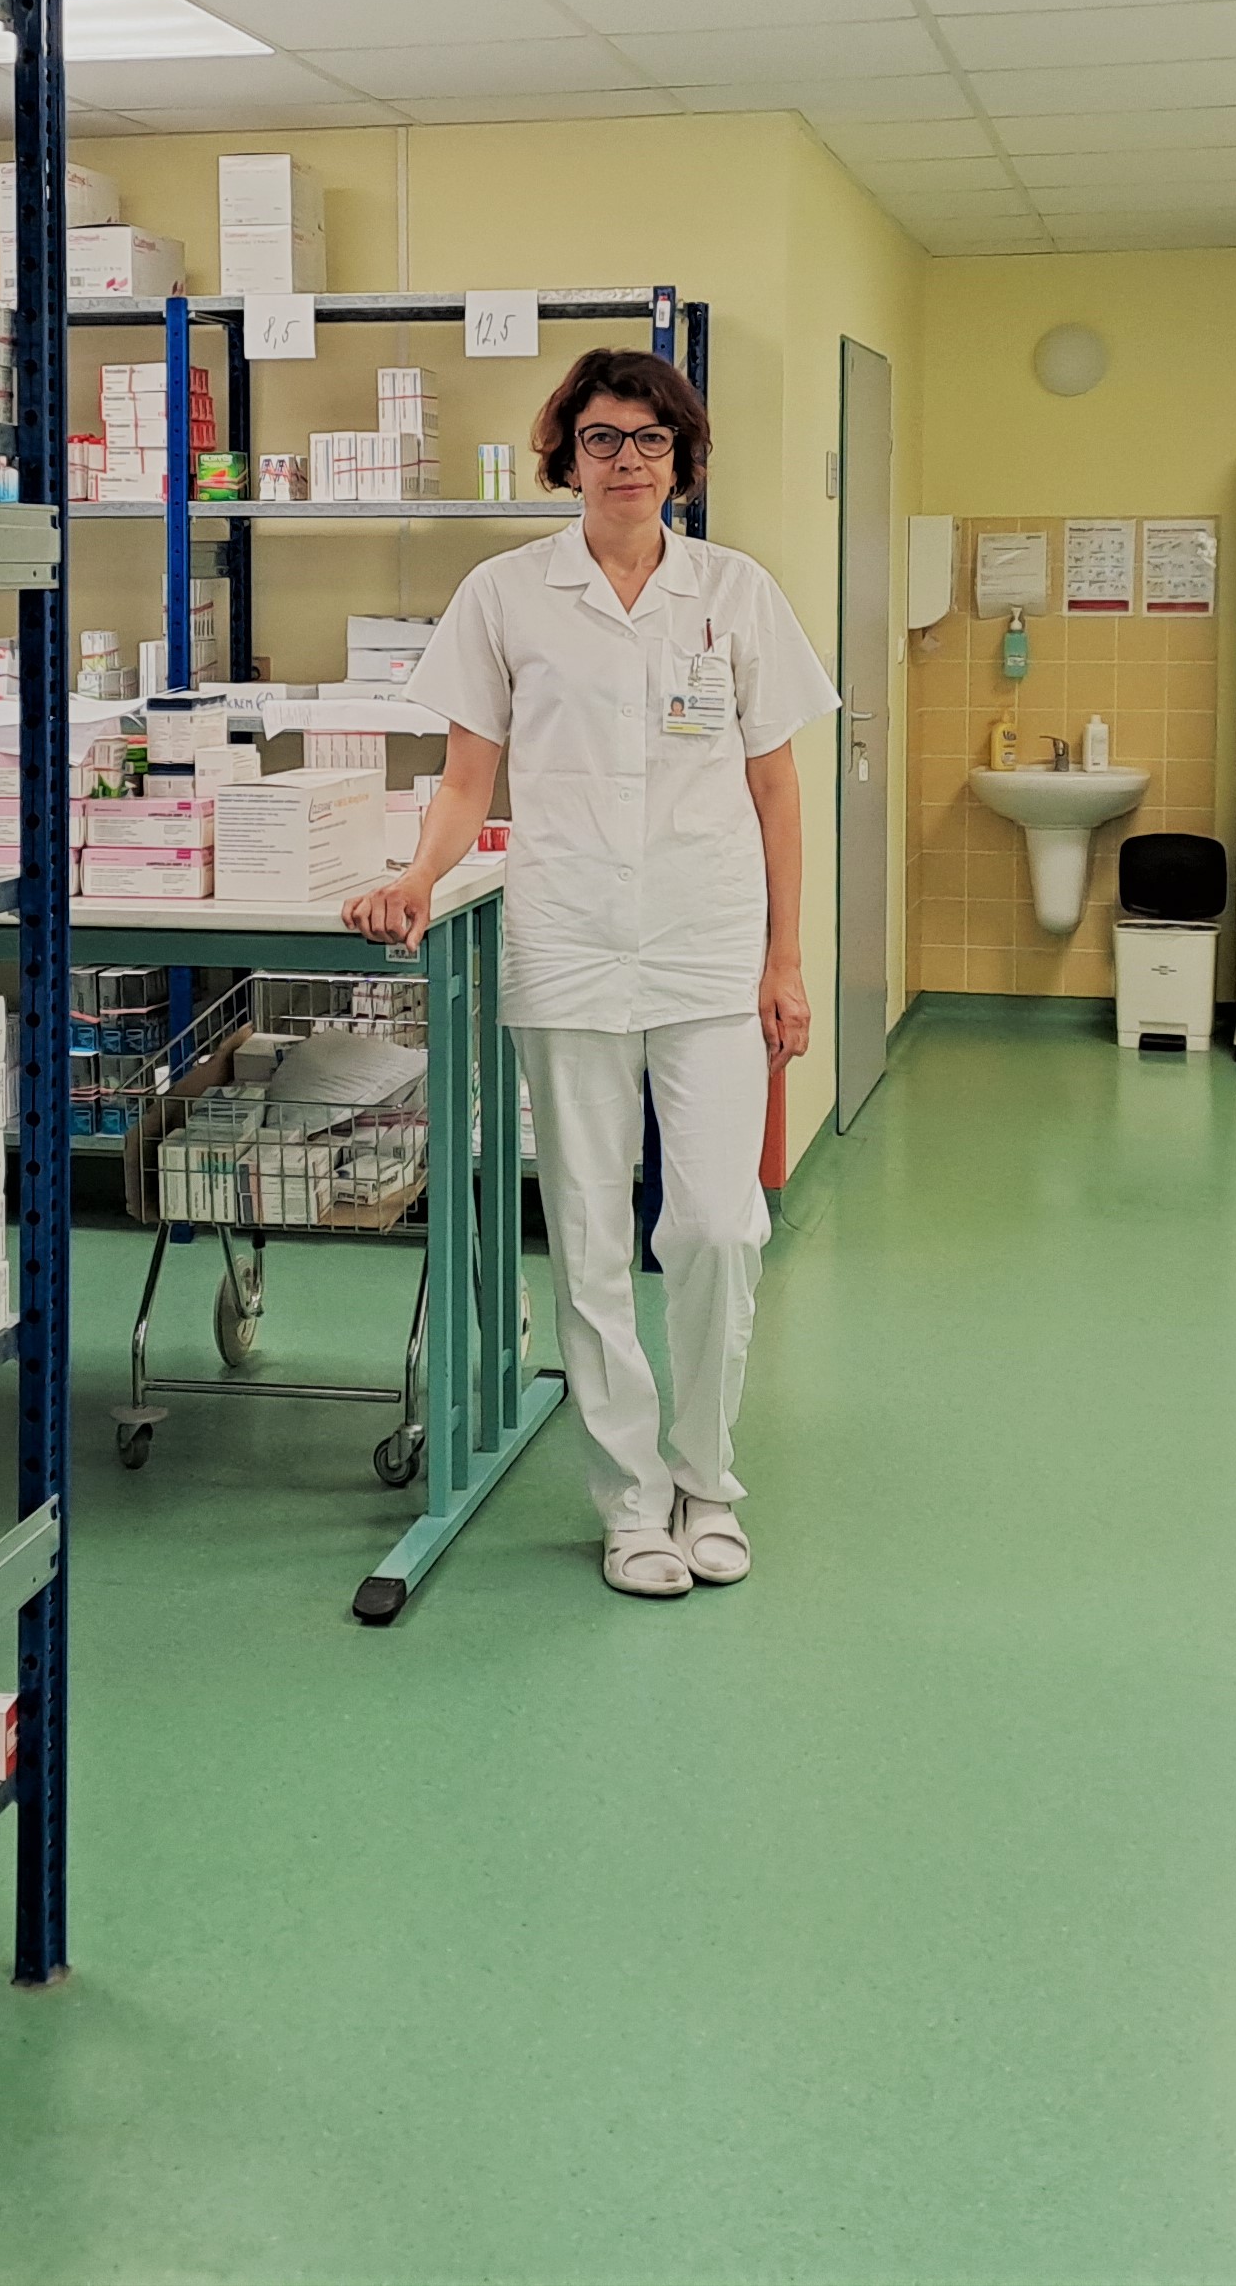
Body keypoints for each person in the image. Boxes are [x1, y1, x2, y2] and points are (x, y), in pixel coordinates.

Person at [343, 348, 837, 1600]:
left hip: (709, 940)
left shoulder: (734, 592)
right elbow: (467, 778)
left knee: (716, 1225)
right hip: (566, 937)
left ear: (682, 460)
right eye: (603, 437)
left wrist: (785, 958)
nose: (627, 460)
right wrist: (418, 875)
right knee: (587, 1233)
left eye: (650, 439)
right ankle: (628, 1502)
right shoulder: (506, 594)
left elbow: (777, 788)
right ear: (566, 456)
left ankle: (706, 1479)